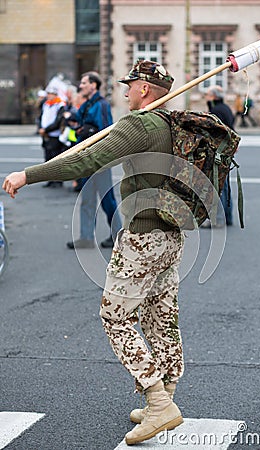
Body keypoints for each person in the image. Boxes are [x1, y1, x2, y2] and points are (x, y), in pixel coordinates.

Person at [2, 60, 185, 445]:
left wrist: (28, 175)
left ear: (146, 90)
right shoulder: (171, 123)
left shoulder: (139, 125)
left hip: (144, 237)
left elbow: (87, 160)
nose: (125, 90)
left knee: (115, 317)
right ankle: (166, 396)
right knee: (161, 317)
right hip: (171, 235)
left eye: (130, 84)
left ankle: (156, 400)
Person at [66, 72, 122, 249]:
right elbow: (80, 122)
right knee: (87, 198)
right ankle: (86, 237)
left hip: (99, 160)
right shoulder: (88, 105)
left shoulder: (101, 105)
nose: (81, 86)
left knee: (107, 200)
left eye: (84, 83)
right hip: (86, 158)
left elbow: (106, 132)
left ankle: (119, 237)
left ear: (93, 85)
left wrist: (88, 132)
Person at [203, 85, 234, 228]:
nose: (206, 97)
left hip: (218, 150)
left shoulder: (216, 111)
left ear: (214, 97)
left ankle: (217, 219)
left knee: (216, 184)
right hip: (226, 149)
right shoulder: (226, 108)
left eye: (208, 95)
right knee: (225, 185)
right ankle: (227, 217)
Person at [38, 87, 66, 188]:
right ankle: (49, 179)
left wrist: (46, 130)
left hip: (54, 134)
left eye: (51, 94)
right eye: (48, 93)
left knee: (56, 158)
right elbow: (41, 117)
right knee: (47, 157)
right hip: (45, 134)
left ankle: (58, 180)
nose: (49, 96)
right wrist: (40, 128)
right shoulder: (46, 104)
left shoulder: (60, 105)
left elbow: (58, 121)